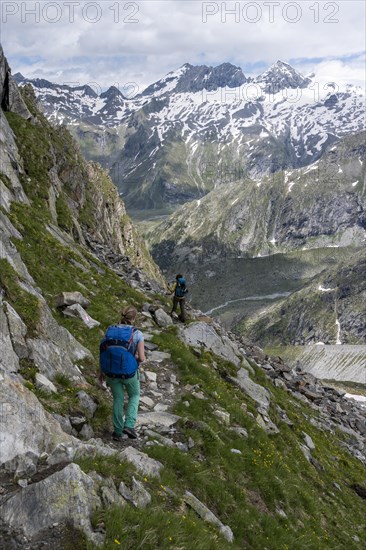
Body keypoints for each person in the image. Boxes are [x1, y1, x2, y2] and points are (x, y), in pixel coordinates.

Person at [99, 306, 145, 441]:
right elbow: (142, 358)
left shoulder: (109, 331)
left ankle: (118, 432)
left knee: (118, 399)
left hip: (111, 372)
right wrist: (133, 359)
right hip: (129, 373)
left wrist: (100, 373)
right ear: (134, 318)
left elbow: (103, 352)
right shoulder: (137, 334)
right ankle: (129, 425)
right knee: (134, 395)